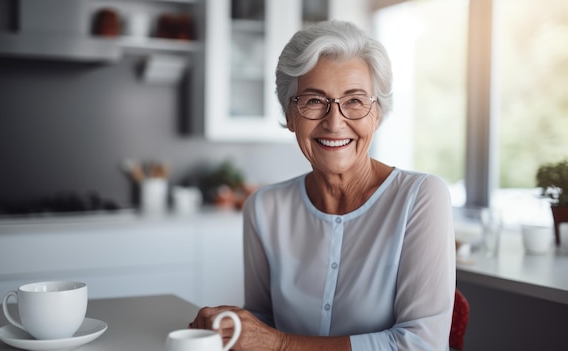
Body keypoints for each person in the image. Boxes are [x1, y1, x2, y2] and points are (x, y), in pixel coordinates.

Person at [189, 20, 456, 350]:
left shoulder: (421, 197)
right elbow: (263, 323)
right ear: (290, 115)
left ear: (379, 114)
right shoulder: (263, 208)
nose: (334, 121)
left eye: (355, 100)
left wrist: (282, 345)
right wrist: (231, 327)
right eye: (314, 101)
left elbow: (421, 344)